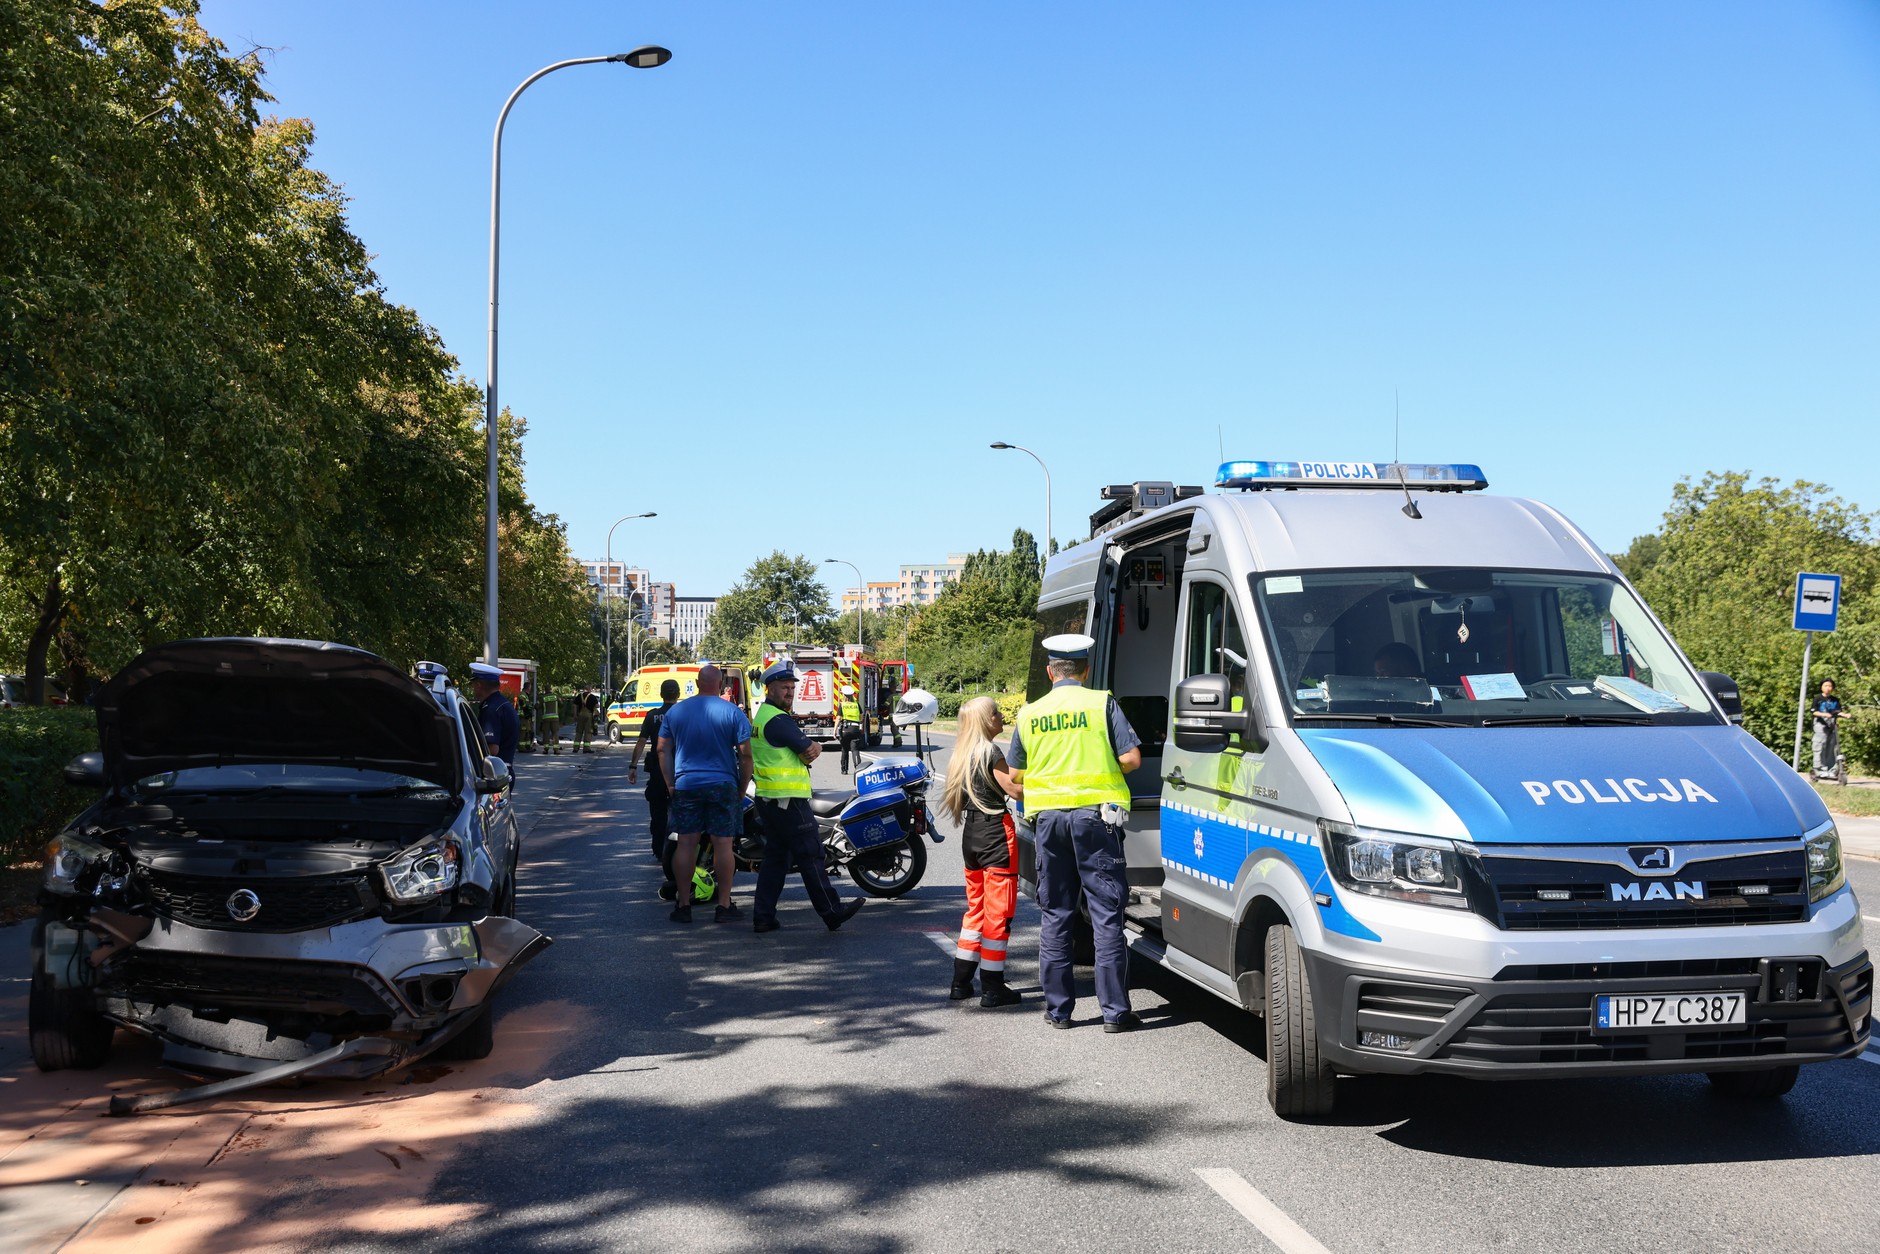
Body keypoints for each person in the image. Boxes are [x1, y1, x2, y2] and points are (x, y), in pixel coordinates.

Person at [1011, 633, 1142, 1032]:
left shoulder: (1030, 713)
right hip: (1096, 821)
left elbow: (1016, 774)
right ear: (1085, 671)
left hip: (1049, 822)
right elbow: (1132, 759)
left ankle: (1058, 1012)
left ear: (1051, 672)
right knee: (1105, 917)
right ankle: (1115, 1014)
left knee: (1056, 916)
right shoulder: (1101, 703)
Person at [748, 662, 864, 934]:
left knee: (775, 860)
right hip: (788, 800)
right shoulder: (778, 720)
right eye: (784, 688)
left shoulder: (764, 715)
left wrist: (810, 748)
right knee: (811, 854)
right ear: (770, 688)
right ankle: (832, 912)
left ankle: (763, 917)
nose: (790, 692)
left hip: (771, 799)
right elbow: (809, 750)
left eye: (792, 688)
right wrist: (818, 745)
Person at [939, 696, 1024, 1007]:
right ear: (986, 720)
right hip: (995, 834)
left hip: (972, 835)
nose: (1002, 716)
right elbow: (1015, 789)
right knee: (999, 915)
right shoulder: (990, 751)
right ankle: (993, 986)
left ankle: (960, 983)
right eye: (997, 712)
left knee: (976, 910)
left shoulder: (962, 753)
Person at [658, 664, 753, 924]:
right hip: (722, 785)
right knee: (723, 845)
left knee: (686, 844)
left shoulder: (676, 712)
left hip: (687, 785)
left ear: (697, 683)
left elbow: (662, 750)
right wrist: (742, 787)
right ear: (721, 684)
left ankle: (684, 905)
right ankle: (723, 906)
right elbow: (745, 755)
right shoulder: (733, 712)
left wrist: (670, 783)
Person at [630, 679, 683, 900]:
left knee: (657, 811)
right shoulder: (682, 714)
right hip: (679, 768)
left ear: (661, 694)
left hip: (657, 771)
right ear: (678, 693)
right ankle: (677, 849)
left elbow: (642, 742)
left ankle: (658, 848)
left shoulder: (652, 715)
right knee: (678, 812)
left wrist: (632, 765)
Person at [470, 662, 520, 769]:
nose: (473, 688)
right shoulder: (503, 704)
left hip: (493, 773)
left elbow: (492, 749)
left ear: (478, 685)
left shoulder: (491, 709)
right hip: (503, 771)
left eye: (473, 684)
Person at [1813, 678, 1844, 780]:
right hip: (1820, 724)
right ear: (1822, 687)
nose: (1828, 688)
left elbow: (1837, 712)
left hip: (1832, 725)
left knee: (1833, 747)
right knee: (1820, 745)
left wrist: (1845, 715)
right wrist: (1824, 714)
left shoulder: (1835, 700)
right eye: (1826, 686)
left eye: (1830, 686)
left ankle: (1831, 770)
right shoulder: (1818, 699)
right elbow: (1814, 711)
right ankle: (1819, 769)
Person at [573, 685, 600, 753]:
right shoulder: (592, 697)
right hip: (589, 715)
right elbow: (597, 705)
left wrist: (575, 715)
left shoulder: (579, 696)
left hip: (580, 715)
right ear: (589, 689)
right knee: (588, 732)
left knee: (579, 731)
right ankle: (586, 748)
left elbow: (575, 705)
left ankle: (576, 748)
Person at [538, 687, 563, 754]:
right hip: (555, 718)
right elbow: (561, 704)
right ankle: (556, 749)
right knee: (555, 733)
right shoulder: (555, 696)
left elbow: (537, 706)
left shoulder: (543, 698)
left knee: (546, 733)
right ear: (551, 690)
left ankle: (546, 749)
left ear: (545, 690)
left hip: (546, 718)